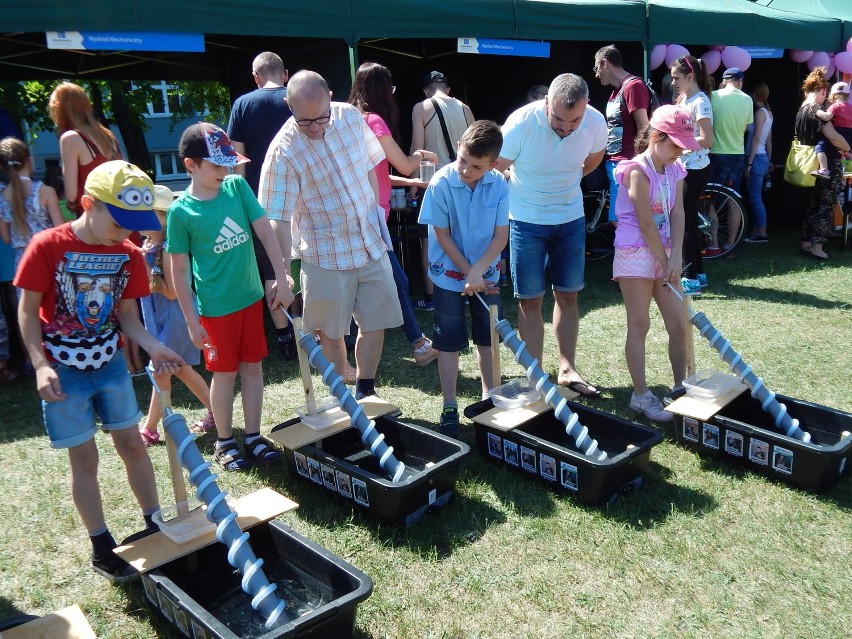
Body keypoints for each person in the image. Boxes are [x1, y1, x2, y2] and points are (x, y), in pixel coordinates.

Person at [15, 160, 184, 582]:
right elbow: (27, 313)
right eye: (120, 219)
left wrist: (155, 346)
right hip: (62, 366)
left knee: (133, 444)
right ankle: (101, 544)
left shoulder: (127, 255)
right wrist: (39, 365)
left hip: (107, 362)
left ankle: (152, 521)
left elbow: (127, 318)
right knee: (84, 457)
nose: (127, 231)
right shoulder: (47, 245)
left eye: (135, 223)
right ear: (89, 204)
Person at [259, 70, 402, 400]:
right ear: (288, 105)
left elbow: (371, 165)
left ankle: (366, 390)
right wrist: (281, 275)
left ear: (331, 97)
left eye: (321, 118)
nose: (316, 127)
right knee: (331, 334)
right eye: (305, 121)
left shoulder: (350, 116)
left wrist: (377, 214)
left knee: (375, 322)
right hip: (324, 254)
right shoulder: (283, 151)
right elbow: (277, 219)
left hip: (368, 242)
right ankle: (343, 398)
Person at [167, 123, 292, 471]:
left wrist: (282, 277)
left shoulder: (237, 187)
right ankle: (225, 441)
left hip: (251, 300)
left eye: (228, 163)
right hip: (215, 312)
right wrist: (192, 322)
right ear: (191, 165)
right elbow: (178, 271)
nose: (226, 171)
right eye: (217, 165)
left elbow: (265, 231)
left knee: (252, 368)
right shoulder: (181, 212)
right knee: (223, 375)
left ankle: (252, 437)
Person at [494, 73, 607, 397]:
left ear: (586, 108)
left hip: (570, 219)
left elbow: (594, 160)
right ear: (546, 102)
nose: (566, 127)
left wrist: (565, 178)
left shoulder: (595, 122)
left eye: (574, 120)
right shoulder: (520, 123)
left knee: (568, 295)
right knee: (529, 300)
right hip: (526, 221)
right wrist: (522, 185)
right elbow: (495, 165)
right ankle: (534, 376)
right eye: (558, 118)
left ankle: (567, 368)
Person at [418, 120, 509, 436]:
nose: (466, 170)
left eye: (476, 166)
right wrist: (467, 270)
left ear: (492, 164)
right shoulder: (441, 184)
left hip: (487, 275)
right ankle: (449, 405)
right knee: (449, 341)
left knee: (488, 338)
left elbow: (501, 236)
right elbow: (441, 235)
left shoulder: (499, 184)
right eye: (463, 161)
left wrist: (479, 269)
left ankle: (490, 398)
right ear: (458, 149)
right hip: (448, 277)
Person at [347, 61, 439, 367]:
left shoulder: (348, 119)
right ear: (383, 90)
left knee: (384, 281)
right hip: (371, 220)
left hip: (359, 216)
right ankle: (419, 344)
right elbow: (402, 163)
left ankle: (416, 343)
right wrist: (421, 156)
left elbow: (376, 171)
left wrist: (411, 181)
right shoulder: (374, 121)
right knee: (395, 280)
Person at [612, 105, 694, 421]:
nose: (680, 151)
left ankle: (679, 387)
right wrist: (663, 260)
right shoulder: (636, 170)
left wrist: (674, 258)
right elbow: (646, 224)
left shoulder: (675, 170)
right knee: (640, 324)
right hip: (635, 252)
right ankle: (641, 395)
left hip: (665, 252)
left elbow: (678, 213)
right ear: (656, 136)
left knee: (678, 324)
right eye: (676, 144)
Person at [226, 52, 298, 361]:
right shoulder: (297, 98)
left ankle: (284, 336)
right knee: (308, 263)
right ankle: (313, 330)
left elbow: (237, 162)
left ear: (256, 77)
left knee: (273, 265)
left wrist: (240, 202)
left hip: (261, 201)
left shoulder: (242, 105)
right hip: (303, 197)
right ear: (285, 74)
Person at [138, 185, 215, 446]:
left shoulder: (170, 248)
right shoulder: (147, 245)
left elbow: (172, 293)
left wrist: (144, 276)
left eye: (149, 214)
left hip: (175, 315)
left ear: (164, 217)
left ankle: (149, 429)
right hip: (159, 317)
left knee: (162, 369)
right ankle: (215, 411)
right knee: (180, 368)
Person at [410, 71, 475, 312]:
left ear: (426, 90)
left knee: (432, 239)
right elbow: (476, 145)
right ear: (447, 88)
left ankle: (431, 296)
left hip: (435, 182)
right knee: (463, 235)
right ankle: (467, 288)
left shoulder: (422, 107)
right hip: (465, 179)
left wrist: (414, 182)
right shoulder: (465, 108)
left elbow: (418, 149)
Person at [794, 68, 850, 260]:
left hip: (811, 165)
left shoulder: (802, 109)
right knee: (825, 205)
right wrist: (847, 146)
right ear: (823, 91)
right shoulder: (816, 111)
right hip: (828, 163)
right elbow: (833, 137)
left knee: (812, 204)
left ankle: (807, 244)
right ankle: (817, 247)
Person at [669, 55, 714, 292]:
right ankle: (699, 274)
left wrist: (679, 144)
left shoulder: (700, 101)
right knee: (690, 221)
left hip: (695, 169)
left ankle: (689, 278)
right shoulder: (684, 99)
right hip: (684, 168)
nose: (673, 82)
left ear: (690, 76)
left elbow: (707, 139)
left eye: (677, 77)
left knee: (682, 221)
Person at [594, 44, 651, 223]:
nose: (596, 74)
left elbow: (645, 127)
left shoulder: (633, 86)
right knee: (620, 219)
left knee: (621, 219)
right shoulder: (616, 92)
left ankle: (630, 251)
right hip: (615, 163)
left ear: (605, 63)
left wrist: (637, 163)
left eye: (597, 68)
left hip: (627, 163)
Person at [48, 82, 121, 217]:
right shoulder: (107, 135)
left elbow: (71, 195)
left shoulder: (71, 138)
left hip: (96, 220)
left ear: (58, 109)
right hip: (122, 215)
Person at [0, 137, 64, 273]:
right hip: (47, 257)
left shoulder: (2, 197)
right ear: (29, 159)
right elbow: (60, 230)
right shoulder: (45, 191)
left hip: (23, 263)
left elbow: (6, 238)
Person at [709, 67, 753, 257]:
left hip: (716, 153)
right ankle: (730, 245)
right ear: (740, 81)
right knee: (733, 199)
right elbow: (745, 128)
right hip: (737, 153)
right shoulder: (747, 99)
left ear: (724, 80)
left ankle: (713, 243)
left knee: (707, 199)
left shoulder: (713, 96)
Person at [743, 83, 774, 243]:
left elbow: (756, 139)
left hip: (756, 158)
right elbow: (768, 140)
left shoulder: (760, 113)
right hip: (763, 158)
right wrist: (769, 159)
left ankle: (762, 233)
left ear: (754, 95)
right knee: (757, 197)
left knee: (755, 198)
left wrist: (748, 163)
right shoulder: (769, 113)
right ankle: (758, 230)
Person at [812, 81, 852, 179]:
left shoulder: (836, 106)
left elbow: (826, 117)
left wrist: (817, 110)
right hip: (849, 134)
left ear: (833, 95)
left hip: (838, 132)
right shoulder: (850, 107)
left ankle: (824, 169)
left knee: (819, 147)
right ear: (847, 95)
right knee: (842, 152)